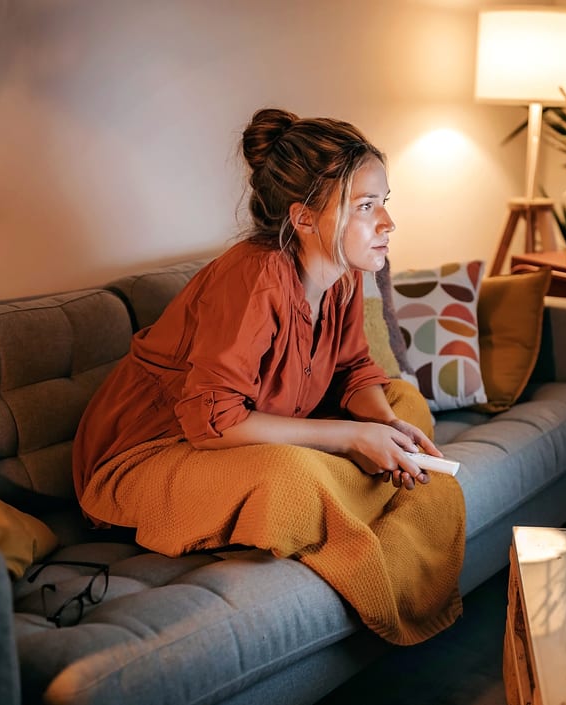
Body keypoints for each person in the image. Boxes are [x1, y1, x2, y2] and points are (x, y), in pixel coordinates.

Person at [72, 108, 466, 645]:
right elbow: (213, 422)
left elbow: (353, 370)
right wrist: (352, 435)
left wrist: (385, 423)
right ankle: (358, 489)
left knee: (405, 404)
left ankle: (356, 483)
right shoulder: (255, 278)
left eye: (385, 204)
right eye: (367, 207)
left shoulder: (345, 276)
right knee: (291, 480)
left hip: (257, 431)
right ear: (304, 219)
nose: (388, 223)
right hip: (148, 456)